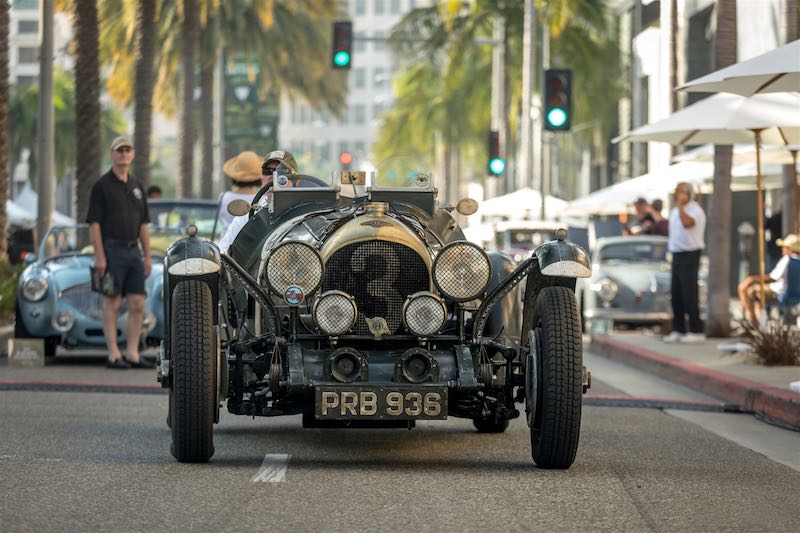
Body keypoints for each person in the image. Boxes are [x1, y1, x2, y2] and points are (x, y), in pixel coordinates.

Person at [85, 136, 154, 369]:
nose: (123, 154)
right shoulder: (101, 186)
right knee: (112, 301)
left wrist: (146, 254)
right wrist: (100, 256)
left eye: (127, 150)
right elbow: (94, 223)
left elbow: (144, 224)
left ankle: (132, 353)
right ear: (112, 154)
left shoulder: (136, 186)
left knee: (137, 303)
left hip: (133, 252)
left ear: (132, 154)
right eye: (119, 150)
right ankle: (114, 353)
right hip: (110, 250)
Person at [218, 150, 297, 254]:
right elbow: (223, 250)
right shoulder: (249, 213)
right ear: (261, 177)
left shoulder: (306, 211)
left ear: (296, 179)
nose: (273, 176)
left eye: (282, 172)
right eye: (267, 171)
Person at [663, 182, 706, 343]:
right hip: (677, 254)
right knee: (676, 294)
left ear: (689, 194)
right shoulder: (674, 211)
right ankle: (678, 329)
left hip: (690, 254)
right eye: (676, 192)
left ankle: (696, 330)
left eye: (680, 192)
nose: (677, 195)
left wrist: (681, 207)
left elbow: (688, 223)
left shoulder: (695, 210)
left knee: (690, 293)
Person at [737, 233, 800, 325]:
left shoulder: (787, 260)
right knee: (759, 295)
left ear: (790, 249)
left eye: (785, 247)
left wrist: (751, 279)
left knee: (750, 291)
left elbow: (772, 277)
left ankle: (754, 321)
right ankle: (759, 321)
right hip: (795, 296)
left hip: (779, 292)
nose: (783, 249)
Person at [217, 151, 266, 237]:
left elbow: (221, 219)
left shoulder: (224, 197)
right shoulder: (262, 199)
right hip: (251, 245)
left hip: (226, 244)